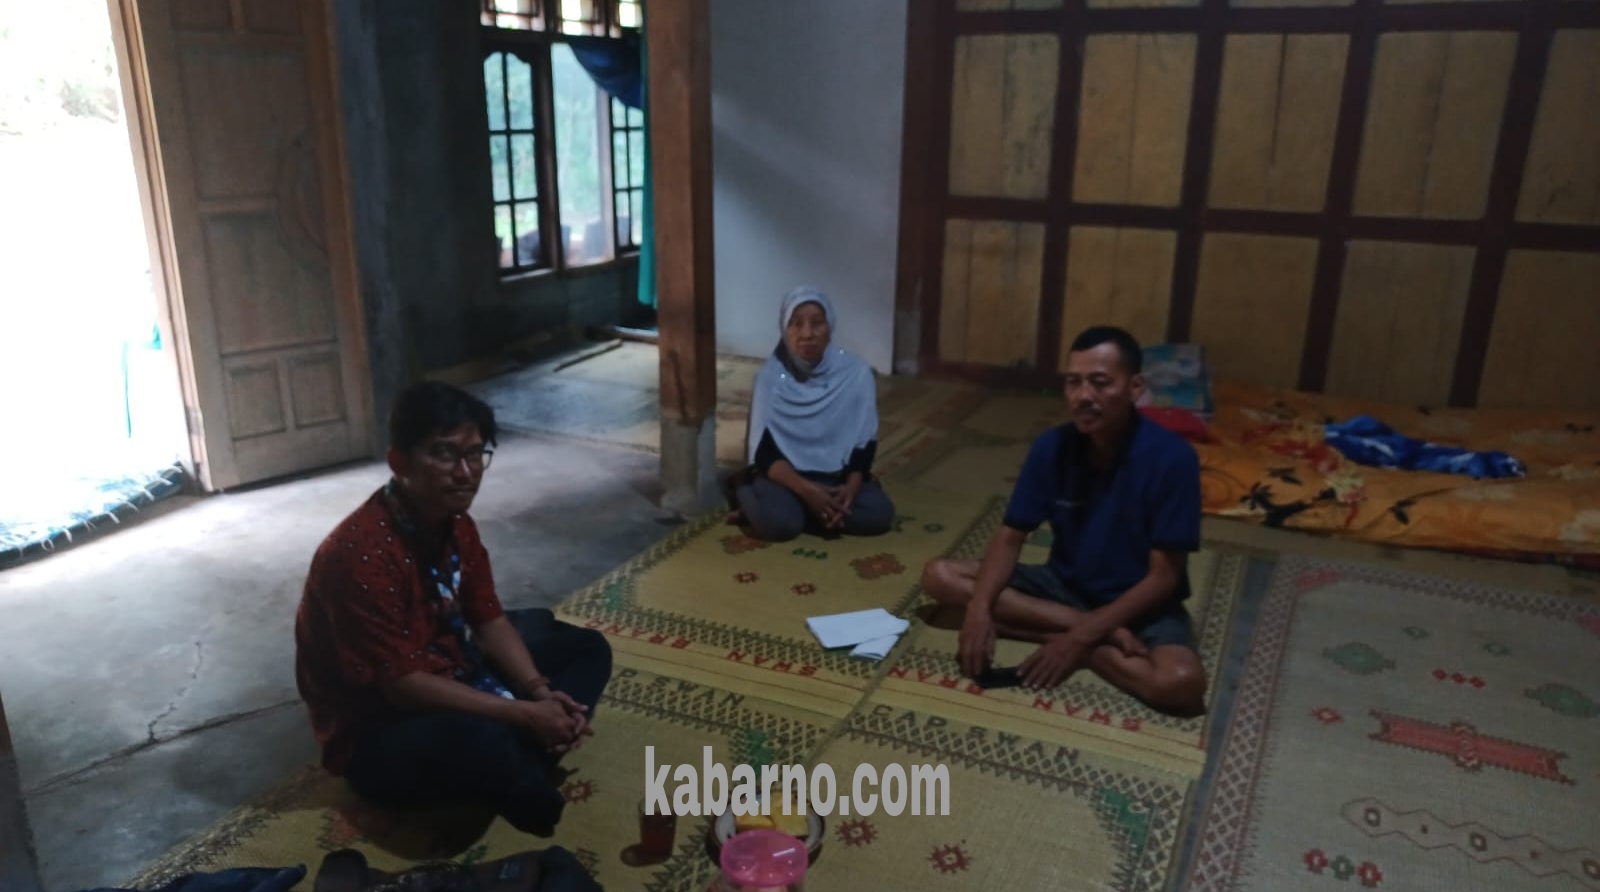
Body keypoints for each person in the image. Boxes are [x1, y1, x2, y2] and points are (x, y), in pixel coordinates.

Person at [293, 381, 613, 834]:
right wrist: (522, 713)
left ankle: (524, 753)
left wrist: (540, 693)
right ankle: (523, 759)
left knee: (586, 647)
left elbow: (486, 616)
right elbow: (402, 687)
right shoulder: (358, 554)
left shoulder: (455, 523)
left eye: (475, 454)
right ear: (399, 462)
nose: (465, 473)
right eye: (444, 454)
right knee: (481, 740)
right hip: (378, 724)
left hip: (451, 660)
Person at [920, 326, 1207, 717]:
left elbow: (1163, 579)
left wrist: (1079, 641)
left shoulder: (1173, 460)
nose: (1083, 396)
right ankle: (1088, 631)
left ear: (1135, 387)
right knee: (939, 575)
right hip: (1064, 587)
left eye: (1100, 383)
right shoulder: (1052, 447)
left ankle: (1080, 642)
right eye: (1073, 382)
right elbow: (1010, 538)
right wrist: (980, 610)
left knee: (1181, 683)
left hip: (1139, 604)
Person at [726, 286, 895, 542]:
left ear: (830, 326)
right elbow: (765, 453)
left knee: (880, 514)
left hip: (836, 478)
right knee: (781, 525)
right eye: (796, 324)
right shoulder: (770, 378)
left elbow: (864, 444)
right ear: (784, 329)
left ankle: (801, 512)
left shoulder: (856, 373)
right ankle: (742, 488)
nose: (807, 334)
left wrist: (851, 489)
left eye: (817, 323)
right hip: (787, 479)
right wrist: (808, 492)